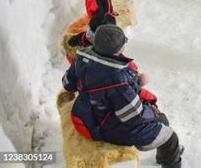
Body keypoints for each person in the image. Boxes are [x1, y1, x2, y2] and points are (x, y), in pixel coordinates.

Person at [62, 25, 182, 168]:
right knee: (170, 135)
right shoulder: (117, 78)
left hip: (88, 113)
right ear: (118, 50)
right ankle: (170, 158)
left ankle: (166, 154)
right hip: (108, 126)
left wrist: (137, 82)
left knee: (161, 120)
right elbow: (132, 115)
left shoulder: (82, 59)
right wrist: (151, 110)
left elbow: (68, 83)